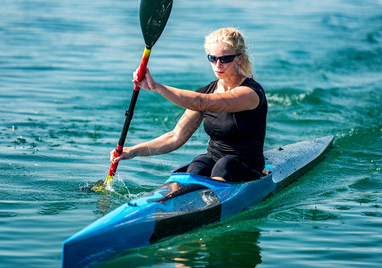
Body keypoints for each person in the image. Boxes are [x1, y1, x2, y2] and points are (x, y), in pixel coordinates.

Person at [111, 27, 267, 182]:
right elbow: (175, 137)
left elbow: (200, 102)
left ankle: (212, 201)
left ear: (239, 58)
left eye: (225, 59)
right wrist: (133, 151)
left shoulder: (250, 93)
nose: (218, 64)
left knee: (225, 165)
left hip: (246, 166)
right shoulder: (207, 91)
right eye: (212, 58)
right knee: (199, 164)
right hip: (214, 161)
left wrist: (156, 87)